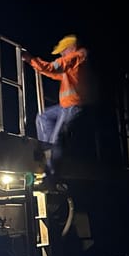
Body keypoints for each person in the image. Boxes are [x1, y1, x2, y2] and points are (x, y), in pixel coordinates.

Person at [22, 34, 94, 180]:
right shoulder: (73, 65)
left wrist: (31, 59)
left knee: (57, 138)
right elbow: (53, 73)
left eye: (63, 51)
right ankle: (46, 149)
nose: (61, 54)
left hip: (75, 106)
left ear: (72, 48)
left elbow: (52, 67)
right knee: (43, 117)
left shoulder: (76, 58)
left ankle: (53, 175)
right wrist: (37, 66)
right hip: (65, 106)